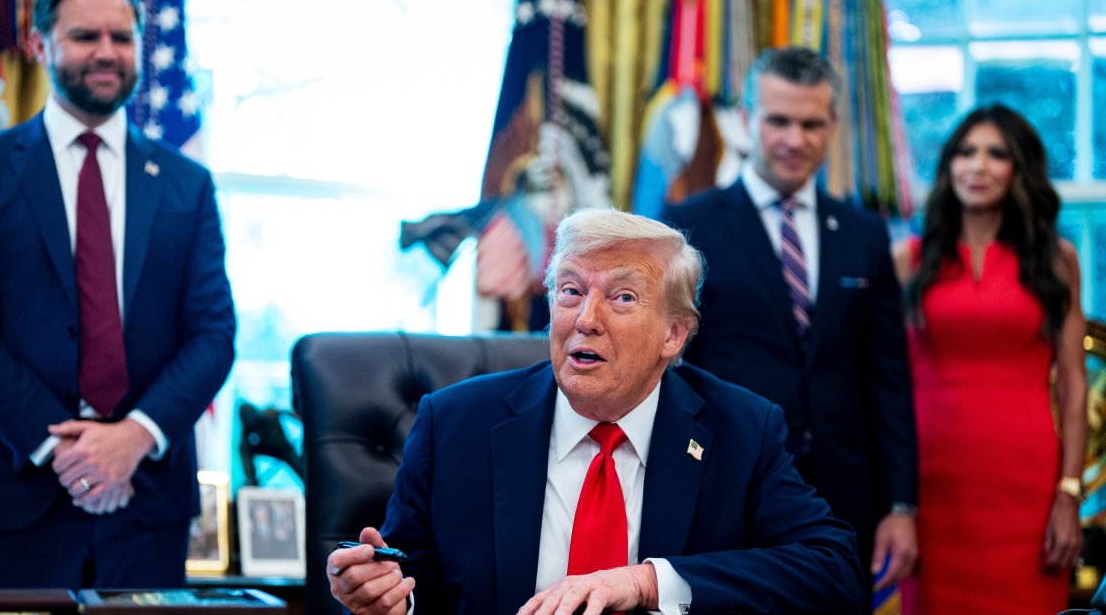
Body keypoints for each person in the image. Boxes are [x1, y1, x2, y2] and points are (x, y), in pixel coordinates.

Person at [327, 208, 864, 615]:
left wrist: (647, 582)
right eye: (570, 291)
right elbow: (411, 578)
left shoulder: (741, 429)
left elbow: (833, 569)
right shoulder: (456, 424)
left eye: (622, 298)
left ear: (673, 334)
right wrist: (389, 600)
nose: (586, 318)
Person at [0, 0, 236, 589]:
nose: (106, 52)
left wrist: (132, 438)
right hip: (16, 493)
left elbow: (214, 333)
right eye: (84, 35)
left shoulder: (186, 183)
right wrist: (66, 447)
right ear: (41, 45)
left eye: (122, 37)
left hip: (148, 500)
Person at [658, 46, 919, 597]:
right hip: (725, 490)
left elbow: (889, 380)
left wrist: (901, 506)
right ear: (748, 119)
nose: (795, 140)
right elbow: (671, 374)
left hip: (845, 504)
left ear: (832, 127)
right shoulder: (686, 227)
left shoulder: (864, 234)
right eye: (779, 120)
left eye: (811, 123)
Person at [891, 104, 1086, 613]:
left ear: (1019, 170)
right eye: (965, 152)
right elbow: (884, 382)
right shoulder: (908, 259)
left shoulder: (1058, 260)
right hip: (930, 489)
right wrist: (894, 501)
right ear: (948, 165)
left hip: (1028, 487)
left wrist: (1070, 492)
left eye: (996, 154)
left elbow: (1074, 385)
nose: (977, 166)